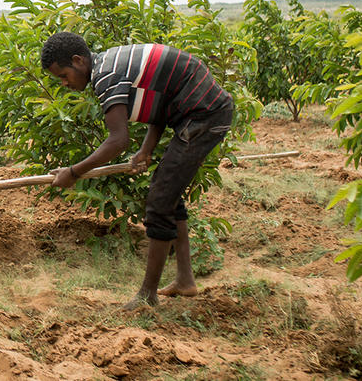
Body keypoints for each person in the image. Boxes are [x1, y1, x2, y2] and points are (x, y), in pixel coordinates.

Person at [41, 31, 234, 309]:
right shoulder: (109, 64)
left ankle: (147, 295)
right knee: (168, 192)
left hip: (204, 113)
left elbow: (118, 141)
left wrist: (74, 172)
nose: (64, 84)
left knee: (160, 199)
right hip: (192, 113)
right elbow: (163, 103)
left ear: (78, 61)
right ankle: (184, 280)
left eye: (63, 76)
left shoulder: (106, 75)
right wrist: (146, 150)